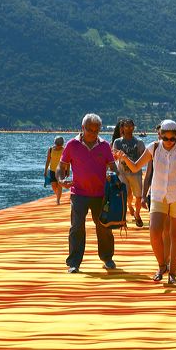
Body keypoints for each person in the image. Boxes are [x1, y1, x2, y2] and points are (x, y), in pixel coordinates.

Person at [114, 120, 176, 284]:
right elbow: (136, 167)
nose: (169, 142)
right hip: (159, 195)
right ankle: (161, 265)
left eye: (173, 138)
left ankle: (172, 273)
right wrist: (124, 158)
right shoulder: (154, 147)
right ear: (160, 136)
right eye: (166, 138)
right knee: (154, 232)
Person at [57, 113, 119, 273]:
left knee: (104, 227)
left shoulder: (105, 146)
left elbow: (114, 168)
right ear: (82, 128)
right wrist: (61, 179)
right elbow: (61, 166)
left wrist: (113, 175)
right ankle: (74, 263)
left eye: (96, 130)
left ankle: (107, 258)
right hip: (78, 193)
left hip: (101, 195)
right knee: (77, 227)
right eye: (90, 130)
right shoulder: (72, 145)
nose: (93, 133)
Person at [112, 118, 145, 228]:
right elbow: (114, 156)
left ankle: (137, 214)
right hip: (122, 172)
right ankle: (125, 212)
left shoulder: (139, 143)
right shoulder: (117, 142)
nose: (129, 128)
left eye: (131, 126)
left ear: (134, 127)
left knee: (138, 196)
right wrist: (117, 155)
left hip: (136, 173)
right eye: (126, 126)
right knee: (125, 194)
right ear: (122, 128)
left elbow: (143, 157)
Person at [44, 136, 65, 205]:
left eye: (60, 145)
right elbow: (48, 160)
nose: (58, 146)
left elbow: (67, 161)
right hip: (52, 170)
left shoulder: (64, 150)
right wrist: (45, 170)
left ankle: (58, 200)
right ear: (55, 144)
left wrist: (67, 170)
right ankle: (58, 195)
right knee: (53, 185)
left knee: (59, 185)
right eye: (57, 145)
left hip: (61, 170)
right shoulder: (50, 149)